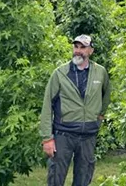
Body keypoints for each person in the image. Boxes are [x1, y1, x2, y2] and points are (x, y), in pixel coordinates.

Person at [40, 34, 111, 186]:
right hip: (63, 135)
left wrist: (98, 117)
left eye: (83, 47)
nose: (78, 51)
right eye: (76, 47)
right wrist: (47, 138)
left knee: (83, 178)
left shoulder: (100, 72)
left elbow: (106, 96)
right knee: (55, 178)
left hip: (88, 136)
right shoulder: (60, 73)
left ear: (91, 51)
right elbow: (47, 105)